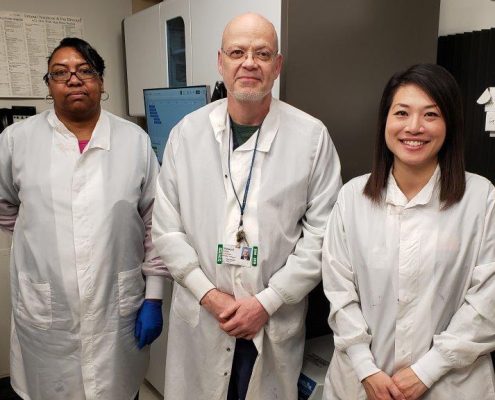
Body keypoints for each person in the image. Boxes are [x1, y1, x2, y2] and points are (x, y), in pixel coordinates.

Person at [152, 12, 342, 400]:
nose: (249, 63)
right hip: (204, 315)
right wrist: (209, 295)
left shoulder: (311, 138)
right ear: (220, 62)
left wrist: (266, 302)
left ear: (277, 65)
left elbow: (323, 236)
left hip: (272, 318)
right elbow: (167, 230)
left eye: (262, 53)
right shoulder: (186, 134)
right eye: (237, 52)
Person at [0, 37, 169, 400]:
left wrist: (154, 298)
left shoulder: (134, 140)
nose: (73, 79)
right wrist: (44, 235)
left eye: (85, 70)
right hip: (47, 313)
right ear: (48, 85)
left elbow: (155, 223)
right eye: (60, 73)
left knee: (116, 390)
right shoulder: (16, 141)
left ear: (101, 81)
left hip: (116, 307)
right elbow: (4, 205)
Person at [322, 63, 495, 400]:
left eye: (431, 115)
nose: (414, 127)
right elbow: (339, 291)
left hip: (450, 384)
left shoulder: (481, 198)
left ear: (450, 124)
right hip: (361, 381)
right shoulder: (353, 197)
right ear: (385, 121)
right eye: (402, 113)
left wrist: (426, 371)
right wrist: (366, 368)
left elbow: (488, 300)